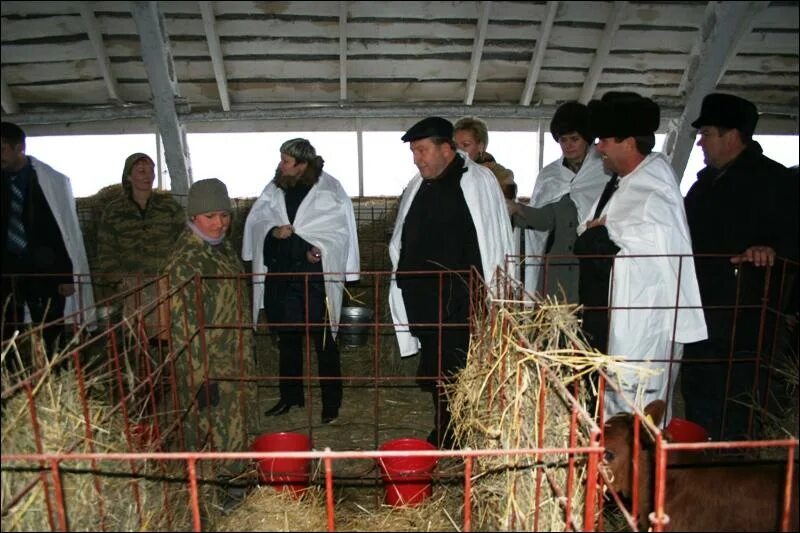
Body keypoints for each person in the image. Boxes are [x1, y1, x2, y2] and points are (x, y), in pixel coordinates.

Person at [573, 93, 707, 422]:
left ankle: (639, 470)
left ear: (629, 142)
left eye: (604, 140)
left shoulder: (654, 189)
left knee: (637, 406)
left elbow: (660, 252)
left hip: (641, 323)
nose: (599, 147)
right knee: (611, 404)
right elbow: (590, 230)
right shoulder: (621, 182)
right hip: (609, 316)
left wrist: (604, 236)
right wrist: (601, 236)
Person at [389, 116, 515, 448]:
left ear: (447, 148)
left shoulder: (477, 181)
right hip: (424, 300)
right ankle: (446, 427)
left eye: (422, 150)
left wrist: (491, 293)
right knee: (436, 369)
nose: (417, 158)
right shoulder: (419, 184)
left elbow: (492, 238)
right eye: (414, 152)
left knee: (458, 370)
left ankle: (456, 432)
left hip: (461, 299)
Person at [681, 93, 798, 441]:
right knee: (698, 384)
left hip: (748, 311)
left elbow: (794, 235)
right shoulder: (702, 186)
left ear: (731, 135)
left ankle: (733, 462)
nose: (700, 142)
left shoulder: (779, 181)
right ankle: (698, 457)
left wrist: (773, 250)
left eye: (707, 133)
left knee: (739, 394)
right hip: (702, 305)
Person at [242, 138, 360, 425]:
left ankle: (331, 402)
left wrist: (319, 249)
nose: (280, 166)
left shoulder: (329, 190)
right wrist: (273, 232)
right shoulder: (274, 189)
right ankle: (290, 396)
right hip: (281, 278)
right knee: (288, 340)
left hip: (314, 281)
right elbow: (258, 223)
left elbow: (337, 232)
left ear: (302, 164)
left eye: (286, 161)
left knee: (324, 342)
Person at [163, 178, 255, 479]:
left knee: (236, 431)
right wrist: (200, 380)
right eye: (210, 217)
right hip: (209, 368)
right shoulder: (186, 262)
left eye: (224, 215)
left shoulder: (221, 248)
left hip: (235, 360)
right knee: (213, 437)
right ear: (193, 217)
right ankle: (220, 497)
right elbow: (182, 330)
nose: (219, 223)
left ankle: (235, 486)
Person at [1, 121, 95, 364]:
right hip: (7, 269)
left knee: (50, 328)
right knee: (6, 327)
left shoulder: (48, 181)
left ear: (19, 148)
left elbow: (63, 230)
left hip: (43, 269)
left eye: (2, 149)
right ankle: (11, 380)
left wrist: (65, 275)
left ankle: (55, 375)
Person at [506, 101, 608, 302]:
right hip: (556, 265)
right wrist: (517, 209)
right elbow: (544, 217)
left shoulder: (605, 169)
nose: (568, 145)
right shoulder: (550, 176)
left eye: (574, 139)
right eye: (563, 140)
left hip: (594, 262)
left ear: (587, 138)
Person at [96, 153, 184, 338]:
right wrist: (117, 279)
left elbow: (183, 240)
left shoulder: (169, 206)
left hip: (164, 283)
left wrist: (177, 273)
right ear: (129, 176)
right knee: (134, 337)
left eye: (151, 171)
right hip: (130, 286)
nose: (148, 175)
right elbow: (106, 248)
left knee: (167, 334)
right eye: (141, 171)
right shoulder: (114, 211)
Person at [453, 116, 518, 199]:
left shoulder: (494, 170)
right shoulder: (446, 168)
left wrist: (478, 173)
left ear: (480, 147)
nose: (459, 150)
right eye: (455, 145)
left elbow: (508, 192)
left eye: (466, 145)